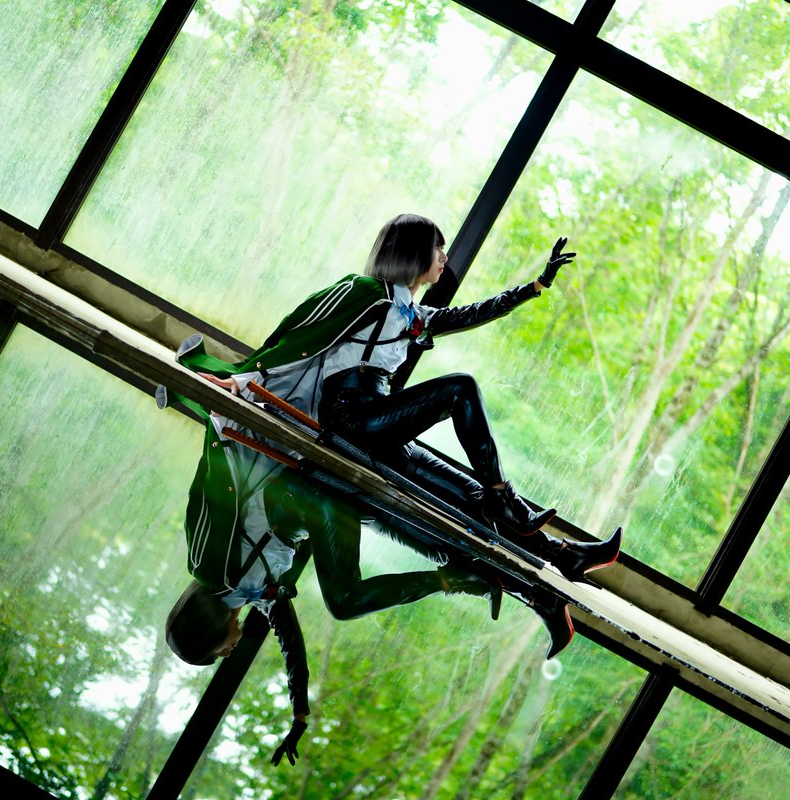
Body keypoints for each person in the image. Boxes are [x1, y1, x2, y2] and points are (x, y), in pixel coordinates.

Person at [167, 213, 621, 582]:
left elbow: (474, 313)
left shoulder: (412, 313)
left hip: (380, 422)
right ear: (414, 253)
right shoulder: (365, 293)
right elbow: (300, 336)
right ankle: (505, 497)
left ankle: (565, 556)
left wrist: (537, 285)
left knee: (469, 495)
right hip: (351, 418)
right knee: (459, 389)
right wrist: (246, 381)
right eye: (437, 248)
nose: (444, 257)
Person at [164, 418, 500, 767]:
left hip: (312, 494)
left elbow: (215, 498)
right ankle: (465, 579)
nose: (226, 653)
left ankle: (454, 580)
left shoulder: (222, 574)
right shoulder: (252, 593)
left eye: (217, 652)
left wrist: (219, 429)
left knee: (343, 602)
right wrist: (299, 714)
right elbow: (290, 643)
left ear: (208, 631)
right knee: (439, 549)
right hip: (318, 506)